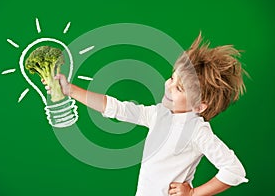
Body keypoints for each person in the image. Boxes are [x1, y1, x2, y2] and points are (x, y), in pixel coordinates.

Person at [46, 33, 248, 196]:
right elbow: (117, 108)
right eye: (171, 78)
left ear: (199, 107)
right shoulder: (160, 114)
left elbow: (234, 171)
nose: (168, 86)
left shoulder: (197, 131)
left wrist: (194, 193)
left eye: (178, 88)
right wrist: (70, 90)